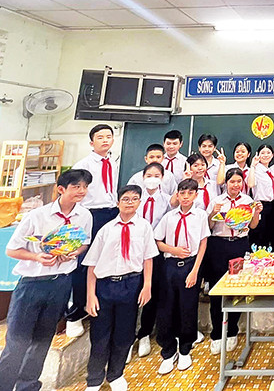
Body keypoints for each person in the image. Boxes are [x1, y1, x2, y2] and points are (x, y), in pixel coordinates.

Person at [0, 169, 93, 391]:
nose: (82, 191)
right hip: (33, 284)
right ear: (61, 189)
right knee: (17, 342)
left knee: (42, 341)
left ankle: (28, 386)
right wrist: (36, 257)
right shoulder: (37, 216)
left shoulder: (85, 216)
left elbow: (84, 242)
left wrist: (73, 252)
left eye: (85, 187)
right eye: (76, 187)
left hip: (61, 283)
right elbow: (11, 249)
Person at [83, 185, 158, 391]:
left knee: (124, 334)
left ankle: (116, 374)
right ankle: (94, 379)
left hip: (131, 284)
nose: (130, 202)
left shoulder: (144, 227)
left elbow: (148, 258)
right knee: (100, 334)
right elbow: (92, 264)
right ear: (117, 203)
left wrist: (147, 285)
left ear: (140, 202)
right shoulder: (106, 229)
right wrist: (91, 295)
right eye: (125, 199)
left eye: (134, 199)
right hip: (105, 286)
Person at [153, 178, 210, 375]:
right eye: (182, 193)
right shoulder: (169, 217)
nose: (185, 197)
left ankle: (185, 349)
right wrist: (173, 250)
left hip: (191, 265)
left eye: (190, 193)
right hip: (170, 265)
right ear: (177, 195)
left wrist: (195, 271)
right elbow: (158, 241)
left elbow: (203, 243)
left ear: (196, 195)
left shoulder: (200, 216)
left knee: (188, 308)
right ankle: (168, 352)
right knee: (166, 308)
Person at [68, 124, 119, 338]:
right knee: (83, 263)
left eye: (108, 136)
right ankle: (75, 314)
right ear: (91, 142)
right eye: (100, 137)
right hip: (89, 215)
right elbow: (72, 194)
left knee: (107, 261)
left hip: (112, 212)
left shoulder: (112, 162)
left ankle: (97, 304)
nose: (105, 140)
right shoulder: (83, 166)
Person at [205, 168, 263, 355]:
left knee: (237, 288)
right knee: (216, 289)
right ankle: (216, 334)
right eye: (232, 181)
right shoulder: (217, 201)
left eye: (239, 181)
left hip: (239, 245)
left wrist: (256, 212)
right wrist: (213, 213)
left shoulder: (247, 201)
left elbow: (253, 226)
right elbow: (209, 226)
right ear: (226, 183)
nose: (236, 185)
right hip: (218, 246)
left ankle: (232, 331)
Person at [131, 163, 172, 361]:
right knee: (132, 293)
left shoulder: (167, 201)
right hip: (133, 250)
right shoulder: (134, 200)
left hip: (155, 251)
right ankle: (128, 338)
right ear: (143, 176)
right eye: (149, 175)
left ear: (162, 178)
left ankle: (145, 333)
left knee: (151, 292)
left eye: (156, 175)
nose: (152, 178)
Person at [252, 144, 274, 248]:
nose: (265, 155)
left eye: (268, 153)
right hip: (261, 205)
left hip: (272, 205)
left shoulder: (269, 170)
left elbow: (268, 189)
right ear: (258, 155)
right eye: (262, 153)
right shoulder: (256, 169)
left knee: (271, 235)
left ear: (272, 155)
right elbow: (251, 184)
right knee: (261, 236)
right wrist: (252, 166)